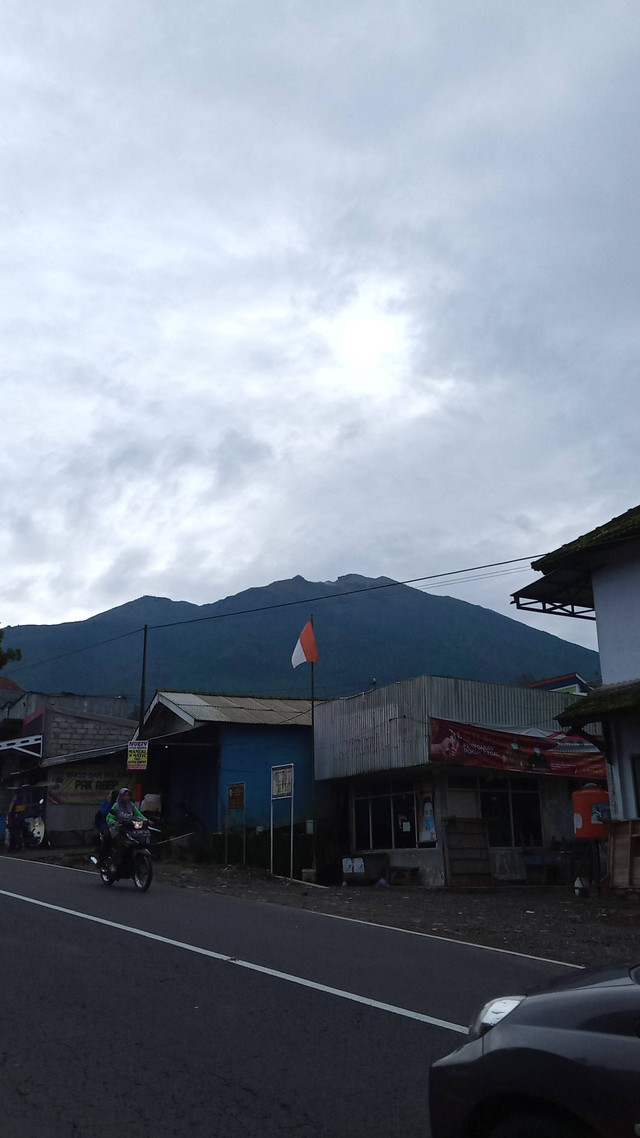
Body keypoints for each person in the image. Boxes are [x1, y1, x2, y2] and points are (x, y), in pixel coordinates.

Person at [106, 787, 148, 867]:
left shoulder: (131, 805)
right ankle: (115, 864)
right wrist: (114, 822)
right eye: (124, 795)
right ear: (121, 796)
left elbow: (139, 814)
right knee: (123, 844)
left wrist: (147, 821)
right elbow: (109, 817)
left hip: (129, 830)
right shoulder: (116, 806)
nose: (126, 797)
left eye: (128, 795)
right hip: (118, 830)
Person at [95, 789, 118, 864]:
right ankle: (101, 858)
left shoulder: (122, 804)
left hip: (119, 826)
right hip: (107, 826)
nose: (109, 795)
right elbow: (104, 812)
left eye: (110, 794)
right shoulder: (105, 804)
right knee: (107, 837)